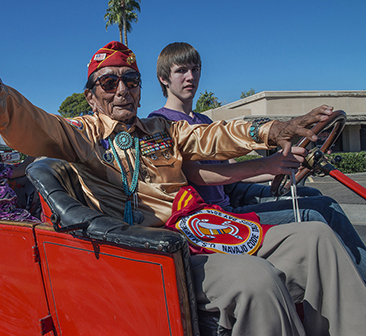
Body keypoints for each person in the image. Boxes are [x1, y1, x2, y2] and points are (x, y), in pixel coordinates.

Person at [0, 1, 366, 334]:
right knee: (254, 281)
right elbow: (30, 125)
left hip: (205, 229)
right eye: (107, 83)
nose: (121, 89)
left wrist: (272, 131)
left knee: (317, 235)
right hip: (141, 253)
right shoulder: (81, 135)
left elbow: (213, 134)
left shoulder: (162, 129)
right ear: (92, 96)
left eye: (129, 80)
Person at [149, 41, 366, 279]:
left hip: (228, 200)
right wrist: (265, 164)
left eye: (195, 69)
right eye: (181, 71)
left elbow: (231, 169)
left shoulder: (204, 120)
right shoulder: (161, 123)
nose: (191, 77)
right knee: (318, 211)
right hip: (209, 217)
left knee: (316, 197)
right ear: (163, 78)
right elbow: (197, 174)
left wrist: (281, 164)